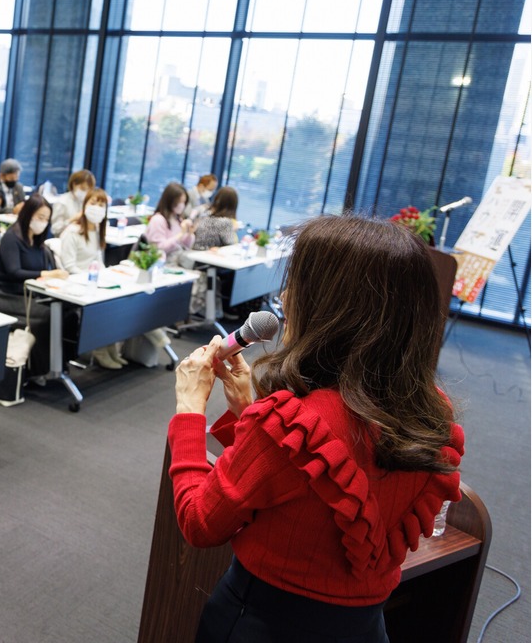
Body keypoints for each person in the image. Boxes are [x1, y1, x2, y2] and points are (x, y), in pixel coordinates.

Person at [169, 215, 464, 642]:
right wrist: (251, 413)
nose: (285, 298)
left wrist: (189, 410)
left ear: (334, 306)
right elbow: (306, 495)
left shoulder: (294, 422)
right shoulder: (434, 414)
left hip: (264, 624)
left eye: (298, 285)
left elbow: (200, 522)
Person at [0, 195, 68, 374]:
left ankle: (56, 364)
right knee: (50, 315)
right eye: (39, 217)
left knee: (67, 310)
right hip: (9, 297)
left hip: (33, 294)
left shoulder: (39, 242)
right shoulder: (11, 238)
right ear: (28, 214)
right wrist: (46, 274)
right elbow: (14, 272)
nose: (43, 222)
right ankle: (42, 369)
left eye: (46, 219)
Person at [57, 188, 126, 370]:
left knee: (117, 299)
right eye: (93, 203)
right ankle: (100, 349)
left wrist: (106, 277)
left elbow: (98, 261)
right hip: (76, 282)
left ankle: (110, 347)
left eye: (101, 205)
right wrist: (90, 279)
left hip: (92, 281)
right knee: (104, 305)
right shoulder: (73, 231)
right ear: (84, 205)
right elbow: (69, 266)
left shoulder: (97, 230)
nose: (96, 208)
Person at [142, 181, 195, 265]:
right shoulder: (158, 220)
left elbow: (186, 246)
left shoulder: (177, 219)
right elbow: (159, 249)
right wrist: (180, 234)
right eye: (179, 202)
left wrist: (189, 233)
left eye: (184, 202)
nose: (182, 205)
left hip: (176, 262)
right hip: (162, 264)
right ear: (170, 201)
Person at [50, 170, 97, 237]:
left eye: (89, 190)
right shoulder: (62, 201)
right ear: (74, 184)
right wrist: (72, 220)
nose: (86, 192)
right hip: (64, 240)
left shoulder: (87, 202)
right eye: (83, 189)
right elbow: (55, 230)